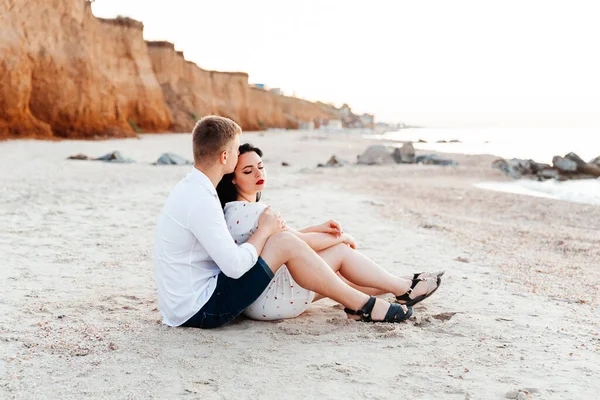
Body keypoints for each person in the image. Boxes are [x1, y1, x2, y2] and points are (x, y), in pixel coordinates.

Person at [153, 115, 437, 330]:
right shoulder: (202, 200)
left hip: (187, 303)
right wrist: (265, 231)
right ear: (225, 157)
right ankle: (366, 304)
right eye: (237, 149)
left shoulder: (192, 189)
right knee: (286, 242)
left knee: (295, 247)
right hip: (199, 309)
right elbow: (235, 265)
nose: (241, 154)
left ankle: (381, 295)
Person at [217, 143, 442, 321]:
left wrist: (319, 228)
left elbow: (288, 237)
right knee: (340, 252)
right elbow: (300, 242)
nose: (258, 173)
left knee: (337, 276)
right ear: (233, 179)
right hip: (270, 300)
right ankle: (405, 289)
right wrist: (342, 237)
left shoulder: (234, 211)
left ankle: (396, 282)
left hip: (258, 300)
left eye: (260, 166)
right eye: (248, 171)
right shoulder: (255, 211)